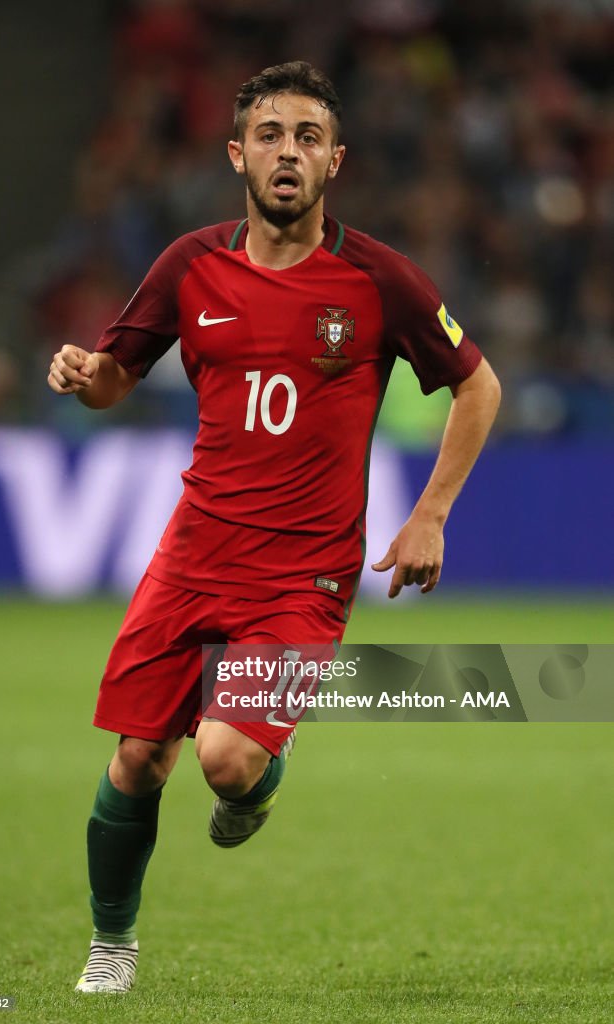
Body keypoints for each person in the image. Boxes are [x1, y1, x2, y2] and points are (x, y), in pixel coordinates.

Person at [47, 61, 501, 994]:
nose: (285, 152)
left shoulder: (379, 279)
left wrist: (429, 516)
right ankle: (111, 946)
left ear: (334, 160)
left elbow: (477, 384)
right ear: (236, 154)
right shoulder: (189, 264)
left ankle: (260, 773)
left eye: (304, 137)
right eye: (267, 134)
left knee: (221, 760)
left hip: (303, 575)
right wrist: (81, 374)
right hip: (193, 554)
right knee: (136, 758)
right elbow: (115, 378)